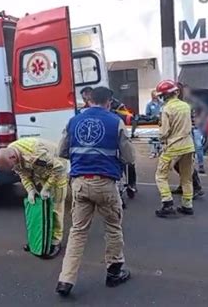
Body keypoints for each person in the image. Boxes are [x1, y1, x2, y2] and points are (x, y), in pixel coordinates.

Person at [55, 87, 135, 297]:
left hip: (80, 183)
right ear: (109, 102)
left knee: (78, 232)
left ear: (89, 100)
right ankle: (114, 272)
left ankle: (66, 279)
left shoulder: (74, 121)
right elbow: (129, 157)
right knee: (112, 227)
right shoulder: (114, 121)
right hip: (105, 184)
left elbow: (61, 151)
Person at [0, 138, 67, 258]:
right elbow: (22, 173)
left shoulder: (36, 154)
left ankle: (55, 241)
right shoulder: (10, 152)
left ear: (13, 157)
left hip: (56, 170)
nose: (13, 169)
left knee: (55, 209)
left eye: (12, 166)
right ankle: (40, 240)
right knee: (39, 209)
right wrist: (31, 190)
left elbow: (58, 168)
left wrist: (47, 187)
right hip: (39, 172)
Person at [154, 80, 195, 218]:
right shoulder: (186, 106)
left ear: (162, 96)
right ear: (176, 92)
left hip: (173, 147)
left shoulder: (166, 109)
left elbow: (164, 132)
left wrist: (160, 138)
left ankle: (167, 203)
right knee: (186, 177)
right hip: (188, 145)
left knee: (161, 175)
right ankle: (187, 205)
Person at [171, 83, 205, 199]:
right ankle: (183, 185)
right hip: (180, 134)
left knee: (186, 162)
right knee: (178, 163)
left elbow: (190, 120)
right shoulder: (176, 104)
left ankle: (196, 187)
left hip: (187, 133)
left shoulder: (186, 104)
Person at [181, 84, 208, 174]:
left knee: (198, 146)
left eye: (187, 91)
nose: (186, 92)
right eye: (184, 91)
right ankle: (190, 166)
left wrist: (200, 119)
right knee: (187, 148)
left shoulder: (195, 101)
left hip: (196, 127)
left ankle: (200, 165)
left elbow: (205, 109)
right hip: (186, 128)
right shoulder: (181, 102)